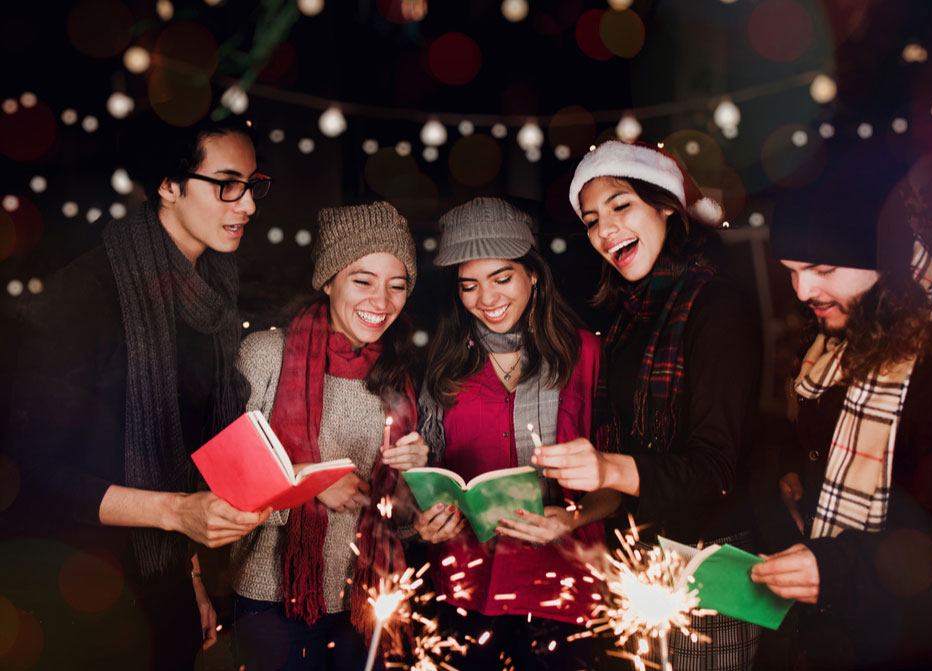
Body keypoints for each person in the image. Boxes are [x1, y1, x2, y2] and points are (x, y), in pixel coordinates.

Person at [1, 117, 273, 669]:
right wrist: (175, 513)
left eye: (251, 186)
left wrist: (190, 580)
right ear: (168, 186)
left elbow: (181, 460)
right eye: (226, 184)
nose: (246, 206)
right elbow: (31, 472)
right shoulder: (84, 295)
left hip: (161, 581)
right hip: (73, 589)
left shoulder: (214, 299)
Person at [749, 148, 932, 669]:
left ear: (887, 256)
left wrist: (842, 568)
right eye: (791, 271)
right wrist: (801, 477)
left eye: (822, 268)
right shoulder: (837, 334)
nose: (804, 291)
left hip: (918, 641)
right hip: (836, 633)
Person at [533, 140, 763, 670]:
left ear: (666, 206)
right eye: (591, 220)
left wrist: (606, 466)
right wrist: (571, 518)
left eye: (621, 206)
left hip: (714, 567)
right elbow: (628, 472)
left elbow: (715, 468)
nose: (604, 230)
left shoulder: (718, 305)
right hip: (639, 560)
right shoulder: (625, 317)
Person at [414, 197, 620, 671]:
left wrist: (568, 519)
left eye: (502, 278)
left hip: (565, 587)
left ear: (532, 274)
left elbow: (619, 482)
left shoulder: (587, 355)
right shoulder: (443, 368)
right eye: (469, 285)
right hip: (466, 586)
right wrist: (422, 516)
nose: (486, 300)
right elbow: (426, 480)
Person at [230, 201, 429, 671]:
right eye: (363, 281)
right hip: (273, 598)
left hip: (367, 600)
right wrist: (308, 482)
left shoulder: (398, 374)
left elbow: (394, 519)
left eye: (397, 286)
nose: (381, 302)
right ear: (328, 280)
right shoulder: (266, 355)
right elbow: (224, 486)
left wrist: (414, 481)